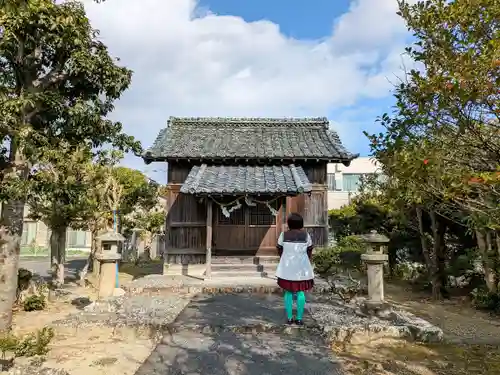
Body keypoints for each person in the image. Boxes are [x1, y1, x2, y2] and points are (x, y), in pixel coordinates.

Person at [275, 212, 314, 326]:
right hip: (302, 268)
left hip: (287, 267)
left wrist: (284, 257)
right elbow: (310, 249)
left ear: (289, 224)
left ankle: (289, 318)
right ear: (301, 224)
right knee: (301, 292)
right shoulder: (306, 235)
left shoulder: (283, 235)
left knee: (288, 291)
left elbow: (279, 248)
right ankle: (299, 318)